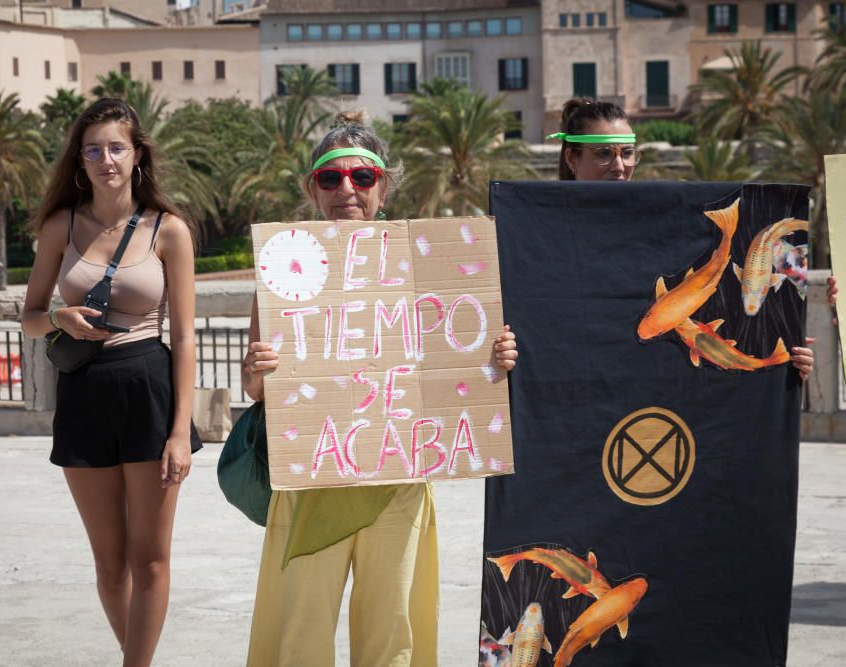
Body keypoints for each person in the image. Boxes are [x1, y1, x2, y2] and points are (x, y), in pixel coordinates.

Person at [242, 111, 518, 666]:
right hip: (314, 483)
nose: (347, 189)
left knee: (393, 629)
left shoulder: (429, 262)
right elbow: (254, 389)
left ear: (384, 186)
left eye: (362, 178)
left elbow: (458, 355)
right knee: (303, 627)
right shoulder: (283, 266)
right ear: (312, 190)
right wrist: (259, 368)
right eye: (331, 178)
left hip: (399, 478)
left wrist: (494, 359)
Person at [21, 98, 201, 666]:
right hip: (84, 395)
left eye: (116, 147)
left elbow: (186, 338)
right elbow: (28, 315)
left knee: (151, 560)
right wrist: (58, 317)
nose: (106, 159)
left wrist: (179, 433)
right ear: (80, 159)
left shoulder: (168, 231)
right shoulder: (61, 226)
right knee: (109, 561)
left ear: (137, 154)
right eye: (94, 149)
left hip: (148, 388)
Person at [553, 97, 815, 379]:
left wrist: (790, 352)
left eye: (627, 153)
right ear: (572, 158)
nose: (619, 166)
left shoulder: (663, 228)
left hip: (653, 397)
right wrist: (504, 351)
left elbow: (732, 305)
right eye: (604, 153)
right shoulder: (545, 238)